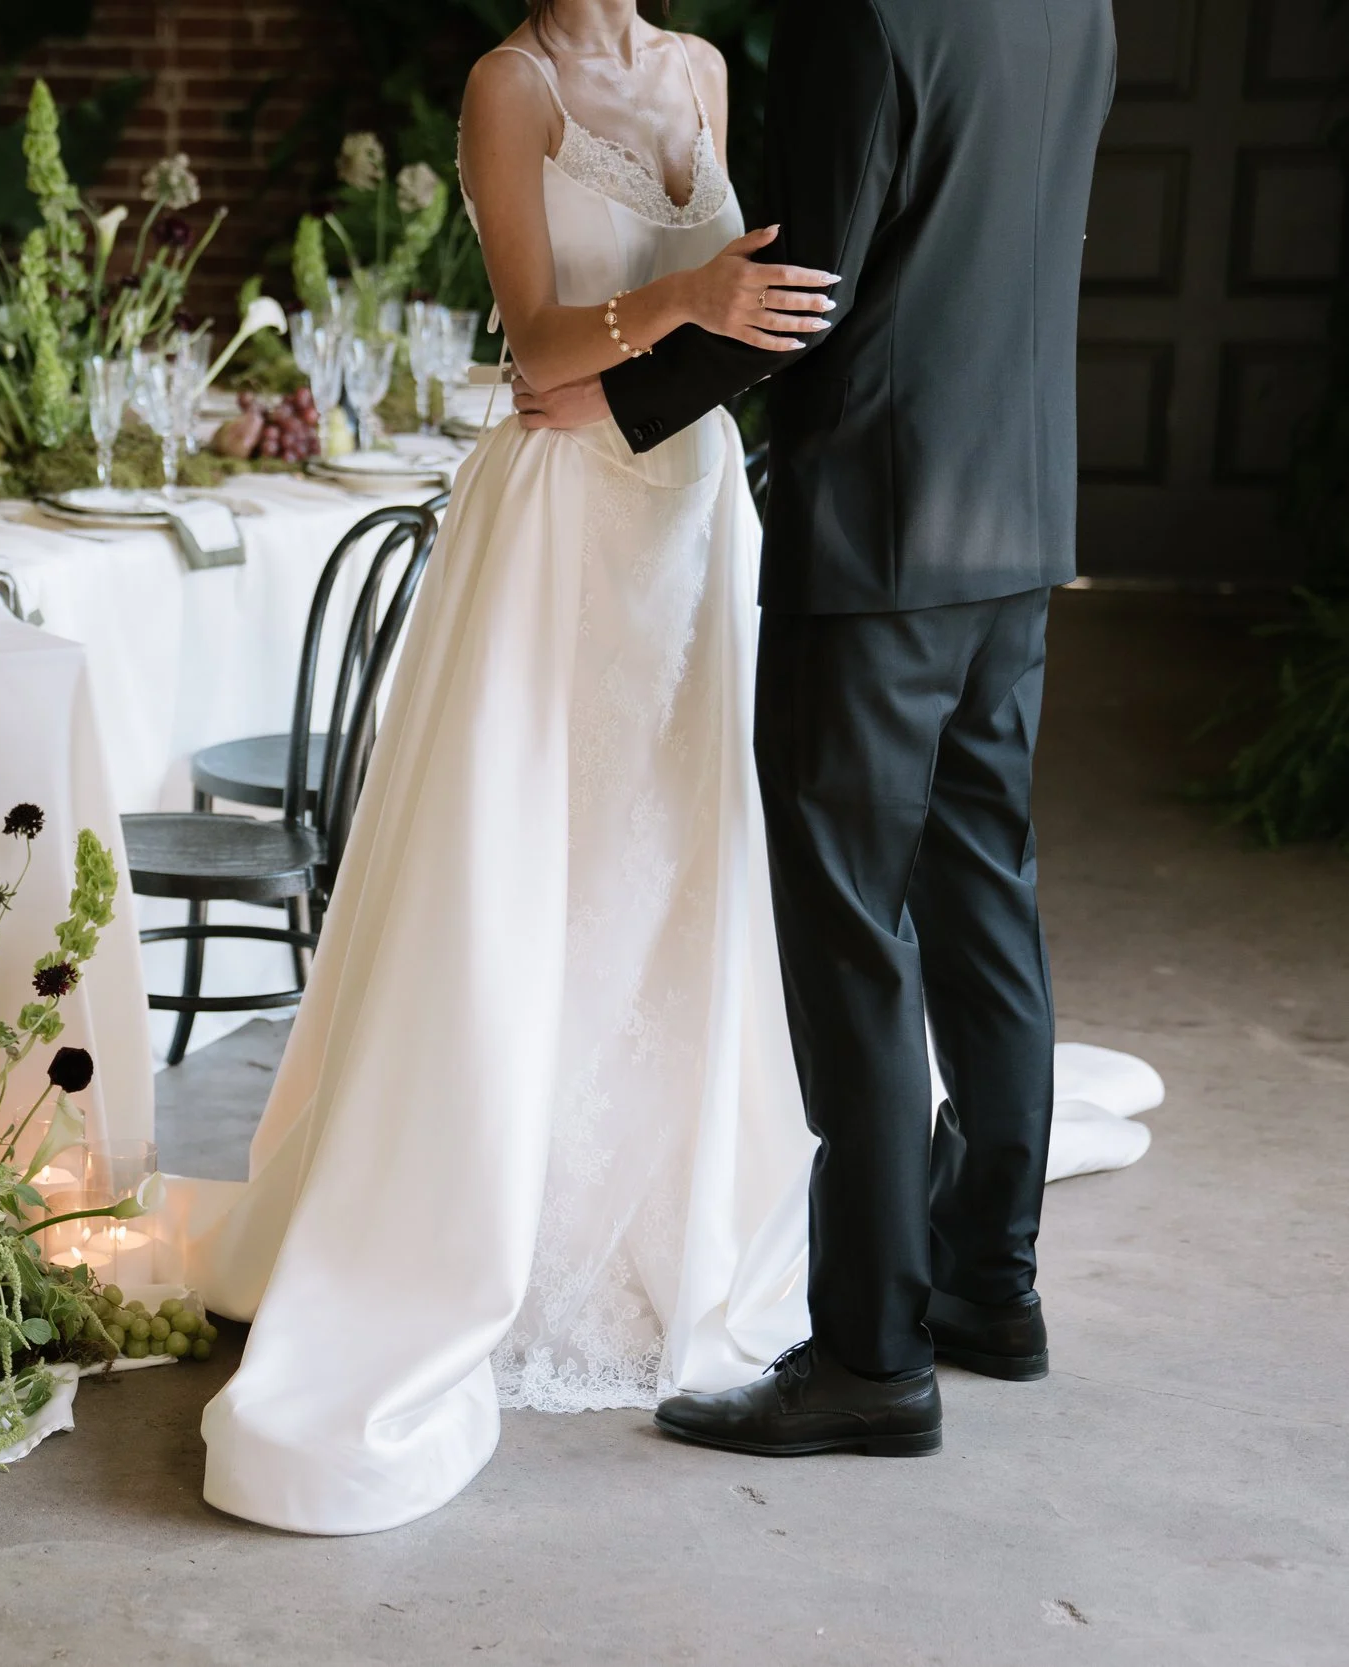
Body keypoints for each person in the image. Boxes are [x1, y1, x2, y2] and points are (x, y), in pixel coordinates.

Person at [179, 0, 1138, 1535]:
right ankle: (990, 1289)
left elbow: (800, 285)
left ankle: (878, 1355)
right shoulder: (1071, 8)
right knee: (982, 889)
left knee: (850, 938)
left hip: (869, 524)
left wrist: (626, 391)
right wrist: (640, 360)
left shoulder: (868, 19)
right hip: (1012, 513)